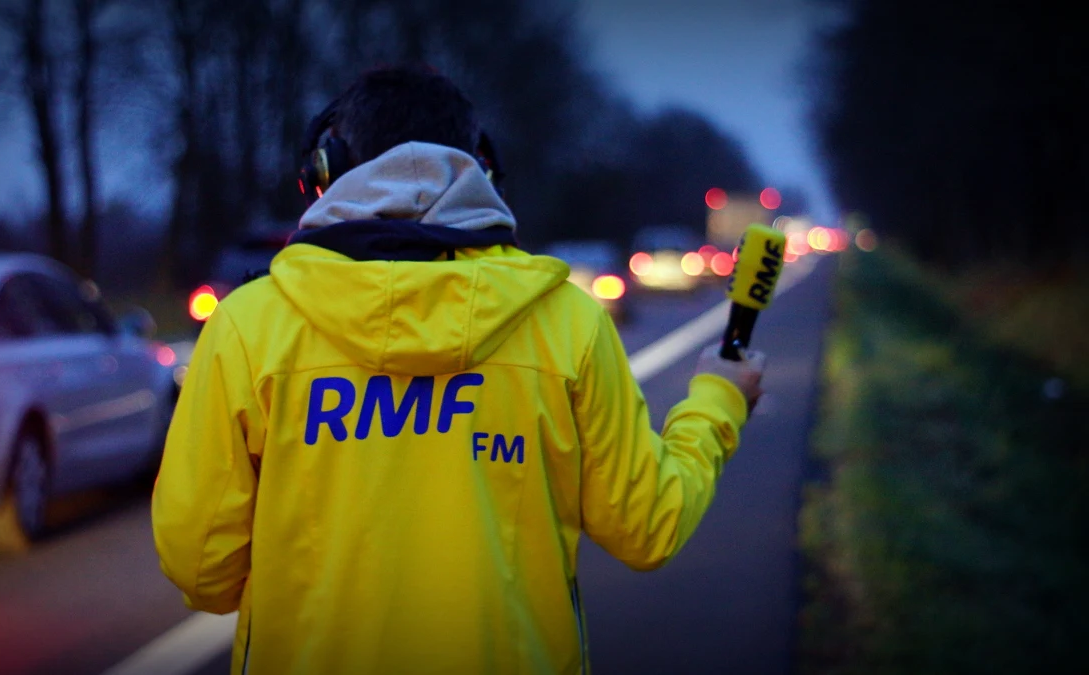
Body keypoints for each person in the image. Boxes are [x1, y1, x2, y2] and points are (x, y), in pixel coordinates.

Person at [152, 64, 766, 675]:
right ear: (483, 171)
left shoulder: (249, 327)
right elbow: (648, 525)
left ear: (327, 170)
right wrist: (719, 400)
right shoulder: (566, 324)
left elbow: (202, 568)